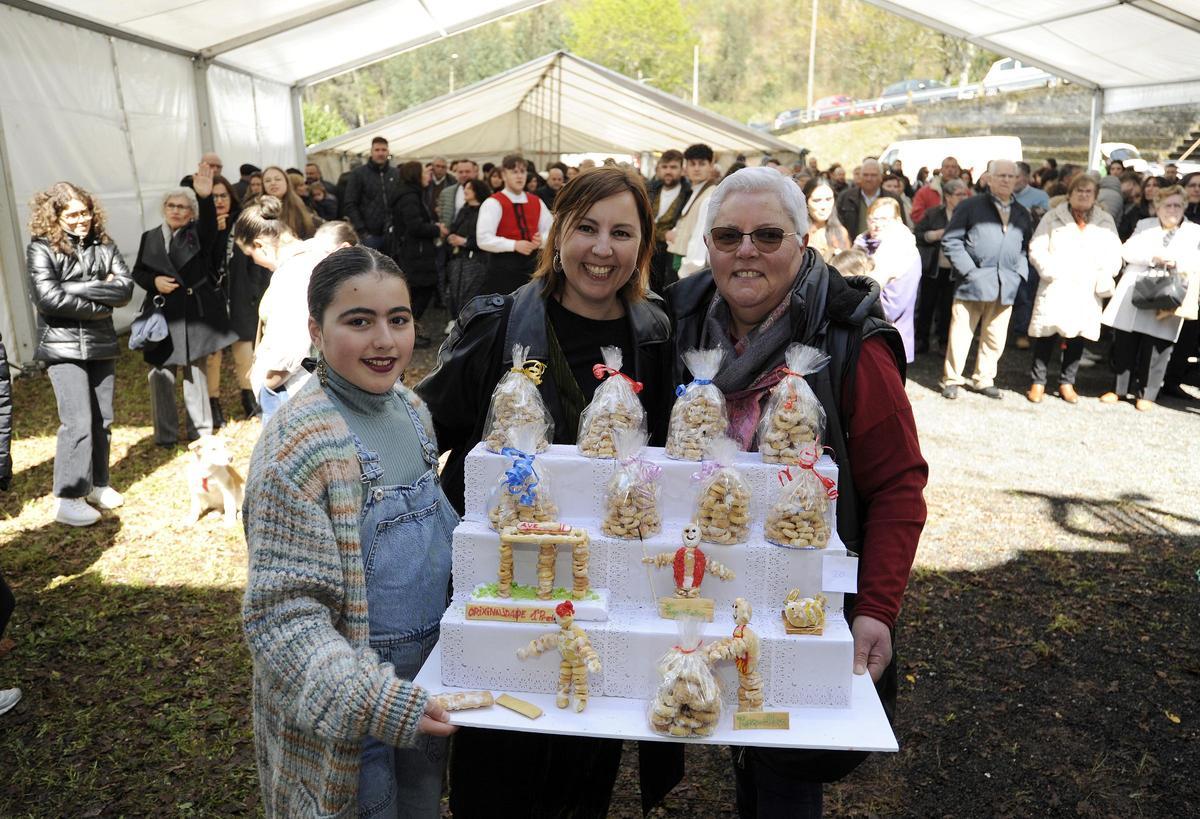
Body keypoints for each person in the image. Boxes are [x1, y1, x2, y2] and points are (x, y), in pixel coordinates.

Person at [666, 166, 926, 818]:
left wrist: (877, 606)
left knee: (787, 759)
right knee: (731, 725)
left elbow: (898, 485)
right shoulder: (685, 320)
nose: (745, 250)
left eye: (766, 235)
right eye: (727, 235)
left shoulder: (848, 343)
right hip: (714, 577)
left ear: (803, 242)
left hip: (805, 598)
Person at [417, 166, 673, 818]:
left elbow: (668, 461)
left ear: (643, 244)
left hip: (606, 597)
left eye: (621, 231)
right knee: (496, 770)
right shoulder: (501, 326)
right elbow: (424, 428)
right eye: (585, 227)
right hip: (505, 592)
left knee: (583, 773)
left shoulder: (654, 337)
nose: (601, 248)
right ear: (557, 234)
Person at [243, 245, 457, 817]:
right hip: (345, 710)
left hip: (424, 690)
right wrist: (375, 699)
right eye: (358, 321)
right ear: (315, 330)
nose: (384, 341)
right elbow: (282, 621)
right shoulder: (298, 446)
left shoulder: (412, 410)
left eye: (399, 319)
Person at [26, 183, 133, 526]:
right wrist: (100, 303)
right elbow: (48, 299)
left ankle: (98, 483)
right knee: (77, 422)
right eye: (72, 214)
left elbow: (126, 289)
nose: (81, 219)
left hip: (100, 343)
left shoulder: (105, 244)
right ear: (55, 217)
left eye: (85, 211)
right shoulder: (40, 248)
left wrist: (73, 289)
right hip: (62, 346)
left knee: (103, 418)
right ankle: (69, 497)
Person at [133, 166, 237, 445]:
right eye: (171, 205)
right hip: (160, 316)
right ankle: (165, 436)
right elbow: (138, 272)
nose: (176, 210)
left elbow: (210, 228)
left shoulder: (198, 234)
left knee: (196, 376)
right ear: (164, 208)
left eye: (183, 206)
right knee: (160, 376)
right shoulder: (150, 236)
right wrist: (154, 282)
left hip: (192, 316)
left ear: (191, 212)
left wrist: (205, 197)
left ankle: (200, 431)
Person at [237, 199, 356, 423]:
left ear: (260, 245)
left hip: (297, 394)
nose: (254, 262)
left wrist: (267, 382)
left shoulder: (294, 272)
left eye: (250, 254)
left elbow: (291, 347)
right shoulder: (313, 256)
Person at [1100, 185, 1200, 410]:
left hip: (1170, 292)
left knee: (1158, 347)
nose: (1172, 210)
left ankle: (1147, 393)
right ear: (1157, 207)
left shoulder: (1194, 232)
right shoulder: (1145, 225)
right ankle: (1119, 389)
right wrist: (1153, 257)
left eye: (1177, 205)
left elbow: (1196, 260)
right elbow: (1127, 251)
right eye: (1167, 205)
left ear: (1184, 207)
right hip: (1137, 290)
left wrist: (1177, 261)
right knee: (1125, 342)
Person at [939, 159, 1032, 400]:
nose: (1006, 180)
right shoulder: (970, 206)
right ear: (988, 178)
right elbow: (951, 240)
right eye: (1000, 175)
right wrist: (969, 271)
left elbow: (1023, 247)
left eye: (1011, 176)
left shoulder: (1022, 212)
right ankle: (952, 379)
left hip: (1006, 283)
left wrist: (1018, 273)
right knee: (961, 333)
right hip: (973, 282)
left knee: (995, 335)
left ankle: (984, 378)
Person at [1026, 174, 1122, 404]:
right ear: (1070, 194)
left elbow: (1114, 253)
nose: (1083, 195)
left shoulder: (1105, 220)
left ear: (1095, 196)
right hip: (1057, 284)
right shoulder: (1053, 216)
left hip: (1086, 288)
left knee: (1078, 337)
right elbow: (1037, 246)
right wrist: (1049, 270)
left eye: (1088, 191)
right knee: (1045, 334)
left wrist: (1104, 273)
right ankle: (1038, 382)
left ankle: (1067, 382)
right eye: (1078, 191)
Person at [207, 175, 271, 420]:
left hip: (240, 296)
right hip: (213, 300)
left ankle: (250, 400)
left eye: (223, 195)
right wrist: (215, 233)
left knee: (244, 352)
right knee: (213, 356)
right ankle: (214, 406)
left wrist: (254, 291)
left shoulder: (242, 222)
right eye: (213, 197)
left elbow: (255, 260)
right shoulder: (203, 226)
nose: (219, 200)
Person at [475, 153, 553, 296]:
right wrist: (514, 245)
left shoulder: (536, 201)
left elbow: (553, 231)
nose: (519, 176)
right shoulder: (493, 202)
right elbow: (483, 239)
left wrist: (541, 240)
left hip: (534, 268)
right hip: (503, 269)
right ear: (504, 175)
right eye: (514, 172)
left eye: (522, 172)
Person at [855, 198, 922, 362]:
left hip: (887, 328)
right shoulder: (863, 242)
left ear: (897, 221)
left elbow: (895, 303)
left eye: (884, 219)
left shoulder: (902, 250)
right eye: (873, 219)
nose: (877, 224)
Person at [913, 178, 970, 354]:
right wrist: (933, 235)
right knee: (926, 306)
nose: (963, 197)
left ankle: (943, 341)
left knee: (948, 308)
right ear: (947, 196)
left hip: (955, 271)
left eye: (964, 194)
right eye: (958, 194)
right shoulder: (933, 213)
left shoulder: (968, 214)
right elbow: (918, 234)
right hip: (933, 268)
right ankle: (921, 340)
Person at [394, 161, 442, 347]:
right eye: (425, 172)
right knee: (421, 290)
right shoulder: (409, 197)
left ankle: (407, 331)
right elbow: (415, 226)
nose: (428, 176)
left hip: (415, 251)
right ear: (415, 175)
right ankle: (407, 332)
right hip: (415, 252)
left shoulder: (412, 194)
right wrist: (436, 229)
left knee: (418, 291)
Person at [666, 143, 717, 279]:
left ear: (711, 166)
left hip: (688, 267)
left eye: (702, 164)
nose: (696, 168)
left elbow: (701, 237)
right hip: (680, 258)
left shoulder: (710, 195)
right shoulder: (694, 190)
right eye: (692, 164)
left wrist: (686, 272)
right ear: (686, 167)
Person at [343, 136, 400, 255]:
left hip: (394, 233)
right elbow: (350, 202)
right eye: (377, 150)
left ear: (388, 152)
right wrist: (362, 230)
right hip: (370, 235)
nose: (380, 153)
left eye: (383, 150)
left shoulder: (396, 174)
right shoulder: (358, 174)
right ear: (371, 152)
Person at [444, 178, 490, 318]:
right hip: (458, 259)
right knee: (455, 291)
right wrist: (452, 236)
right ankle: (455, 320)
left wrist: (464, 241)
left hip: (475, 260)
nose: (465, 190)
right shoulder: (464, 209)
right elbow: (455, 227)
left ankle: (466, 323)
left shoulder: (485, 211)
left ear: (477, 191)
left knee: (470, 292)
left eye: (469, 188)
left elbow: (485, 238)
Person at [649, 149, 689, 292]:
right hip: (648, 250)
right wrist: (662, 233)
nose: (668, 171)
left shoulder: (688, 194)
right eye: (665, 167)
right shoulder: (651, 189)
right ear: (659, 168)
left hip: (670, 255)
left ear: (682, 169)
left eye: (673, 167)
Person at [836, 159, 902, 241]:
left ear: (881, 177)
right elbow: (837, 226)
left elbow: (901, 226)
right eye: (865, 175)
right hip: (854, 248)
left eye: (873, 175)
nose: (869, 179)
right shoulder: (845, 197)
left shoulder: (893, 199)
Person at [261, 166, 317, 240]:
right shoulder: (257, 210)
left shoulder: (299, 206)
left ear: (287, 182)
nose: (273, 183)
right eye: (268, 181)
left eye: (278, 179)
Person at [802, 178, 851, 260]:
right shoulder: (798, 234)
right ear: (806, 202)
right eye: (817, 200)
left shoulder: (841, 232)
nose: (824, 206)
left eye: (828, 199)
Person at [911, 156, 961, 223]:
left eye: (953, 167)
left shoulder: (965, 191)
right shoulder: (925, 191)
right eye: (947, 167)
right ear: (941, 170)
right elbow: (916, 215)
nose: (950, 170)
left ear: (957, 170)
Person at [1119, 175, 1162, 241]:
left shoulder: (1169, 211)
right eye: (1147, 185)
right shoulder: (1134, 211)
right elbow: (1123, 234)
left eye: (1155, 185)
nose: (1149, 189)